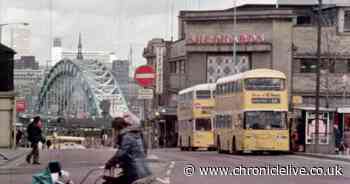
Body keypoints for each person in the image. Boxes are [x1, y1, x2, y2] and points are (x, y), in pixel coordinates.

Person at [104, 116, 151, 184]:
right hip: (141, 169)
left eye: (116, 129)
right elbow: (141, 150)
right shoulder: (135, 133)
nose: (116, 132)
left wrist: (110, 162)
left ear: (119, 127)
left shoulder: (127, 136)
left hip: (135, 171)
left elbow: (122, 152)